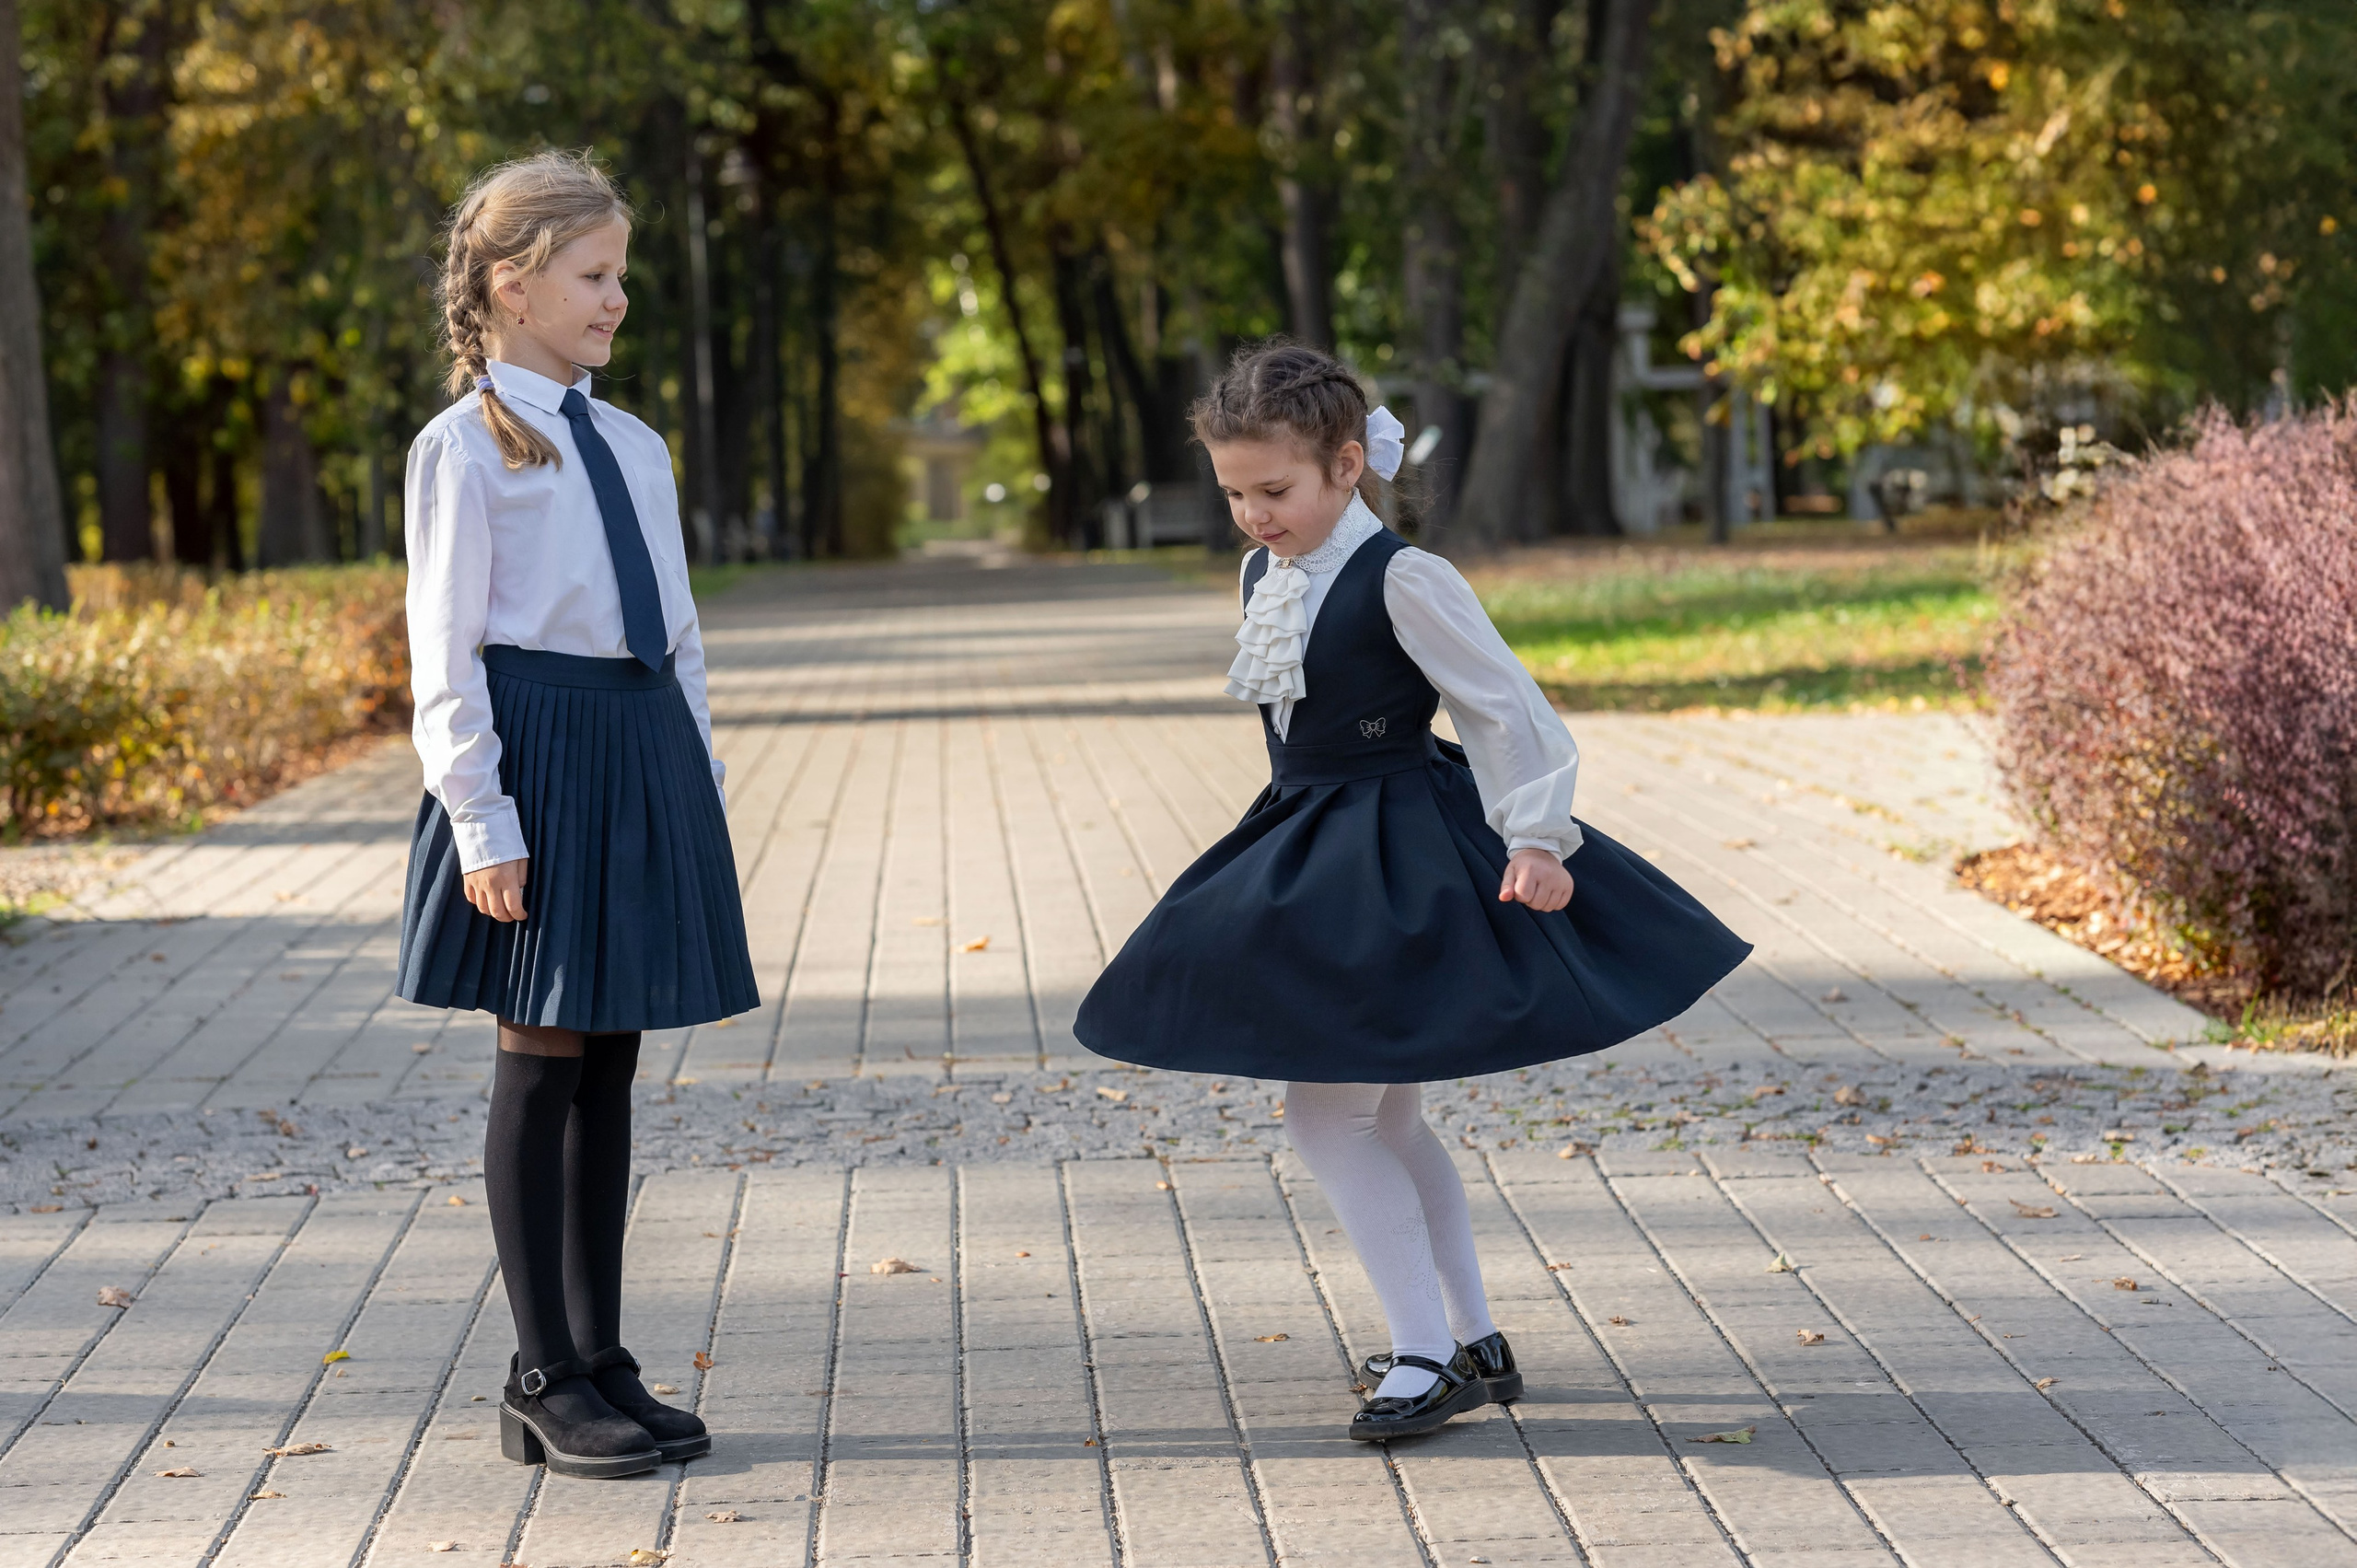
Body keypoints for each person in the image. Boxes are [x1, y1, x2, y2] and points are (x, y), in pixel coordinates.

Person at [1075, 341, 1752, 1441]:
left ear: (1348, 466)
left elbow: (1504, 707)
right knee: (1383, 1110)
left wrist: (1534, 836)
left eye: (1275, 490)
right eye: (1236, 492)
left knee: (1323, 1115)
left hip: (1395, 849)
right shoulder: (1264, 573)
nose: (1253, 514)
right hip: (1310, 838)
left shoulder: (1403, 575)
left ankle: (1429, 1356)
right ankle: (1471, 1334)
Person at [395, 150, 757, 1480]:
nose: (617, 299)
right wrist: (482, 818)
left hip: (636, 747)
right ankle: (541, 1367)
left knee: (609, 1060)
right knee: (541, 1054)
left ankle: (602, 1355)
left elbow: (678, 634)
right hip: (537, 758)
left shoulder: (634, 442)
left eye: (620, 275)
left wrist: (695, 784)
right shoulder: (463, 450)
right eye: (595, 276)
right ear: (515, 284)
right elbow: (444, 656)